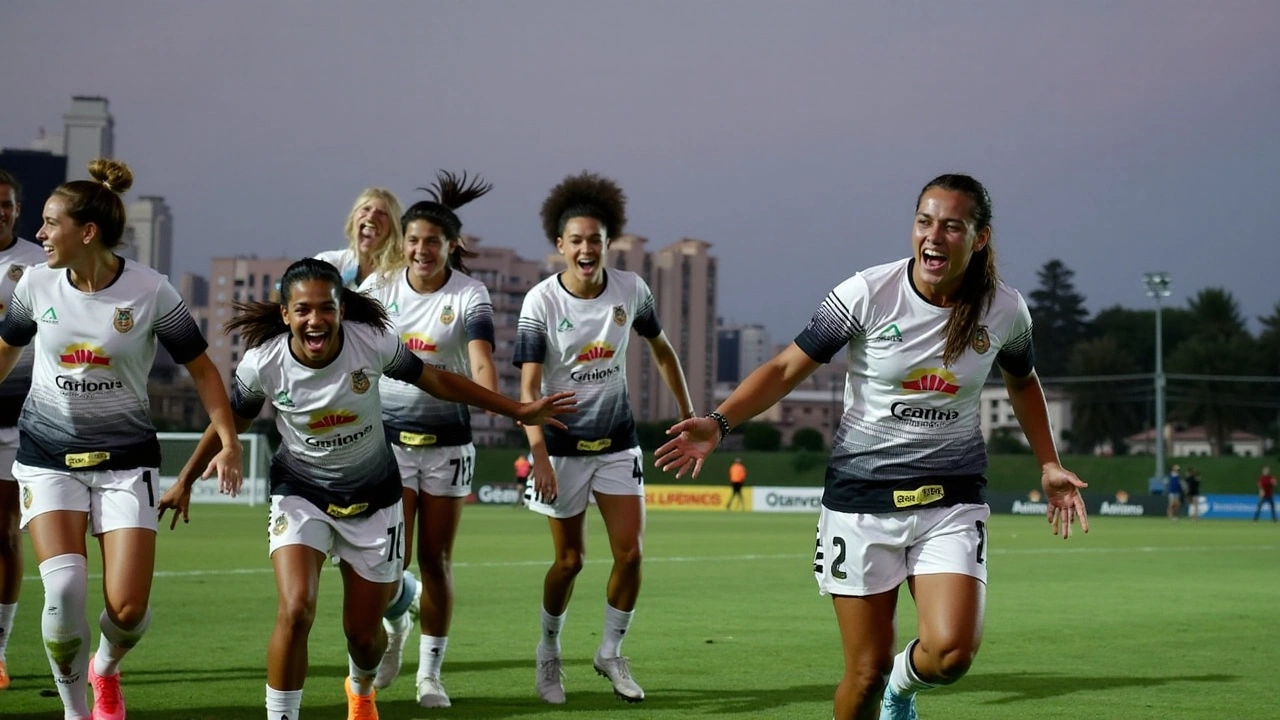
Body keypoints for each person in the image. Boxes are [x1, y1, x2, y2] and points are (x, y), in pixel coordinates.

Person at [655, 173, 1089, 720]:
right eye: (924, 222)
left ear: (979, 239)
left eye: (952, 226)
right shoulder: (867, 292)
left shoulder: (1006, 310)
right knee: (863, 676)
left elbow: (1023, 381)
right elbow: (787, 367)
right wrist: (719, 422)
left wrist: (1048, 462)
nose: (934, 236)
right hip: (861, 502)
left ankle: (901, 691)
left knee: (951, 654)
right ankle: (884, 687)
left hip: (949, 500)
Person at [158, 258, 574, 720]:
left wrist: (517, 408)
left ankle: (361, 690)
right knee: (296, 610)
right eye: (302, 310)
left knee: (362, 635)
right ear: (285, 315)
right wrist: (185, 480)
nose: (314, 320)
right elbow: (228, 422)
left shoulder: (371, 343)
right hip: (301, 494)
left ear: (340, 310)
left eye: (325, 309)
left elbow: (436, 379)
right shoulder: (263, 364)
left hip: (374, 499)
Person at [0, 159, 243, 719]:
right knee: (62, 594)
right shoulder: (34, 283)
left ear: (87, 233)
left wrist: (228, 441)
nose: (39, 235)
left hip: (126, 462)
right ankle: (76, 712)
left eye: (49, 223)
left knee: (128, 610)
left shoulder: (152, 290)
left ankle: (105, 667)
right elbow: (6, 350)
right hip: (46, 458)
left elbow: (204, 372)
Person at [517, 172, 695, 704]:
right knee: (569, 562)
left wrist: (689, 415)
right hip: (563, 450)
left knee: (632, 554)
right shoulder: (540, 303)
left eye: (595, 239)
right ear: (560, 247)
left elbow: (662, 350)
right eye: (576, 240)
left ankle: (611, 652)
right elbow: (528, 389)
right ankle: (548, 654)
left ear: (607, 242)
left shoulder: (631, 290)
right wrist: (540, 457)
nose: (587, 248)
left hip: (618, 444)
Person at [357, 170, 496, 707]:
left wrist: (502, 405)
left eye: (432, 242)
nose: (421, 250)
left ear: (451, 247)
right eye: (413, 240)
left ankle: (429, 676)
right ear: (403, 243)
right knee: (388, 563)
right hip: (386, 444)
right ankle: (397, 630)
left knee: (435, 561)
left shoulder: (470, 294)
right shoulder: (376, 290)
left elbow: (481, 361)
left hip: (447, 446)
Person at [0, 169, 48, 690]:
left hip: (14, 418)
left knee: (3, 533)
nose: (2, 212)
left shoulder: (38, 264)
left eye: (8, 204)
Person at [317, 188, 404, 289]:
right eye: (366, 209)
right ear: (353, 218)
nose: (371, 216)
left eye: (381, 213)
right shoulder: (332, 263)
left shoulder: (400, 275)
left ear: (393, 227)